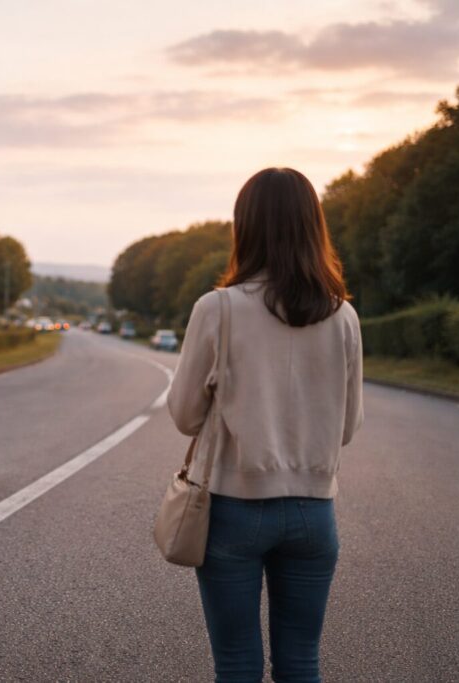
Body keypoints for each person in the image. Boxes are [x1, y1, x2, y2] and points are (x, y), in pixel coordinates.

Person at [167, 167, 364, 683]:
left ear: (244, 227)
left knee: (236, 663)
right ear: (313, 227)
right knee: (301, 662)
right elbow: (348, 426)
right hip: (314, 511)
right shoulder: (343, 316)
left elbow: (186, 415)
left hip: (233, 507)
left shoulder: (218, 309)